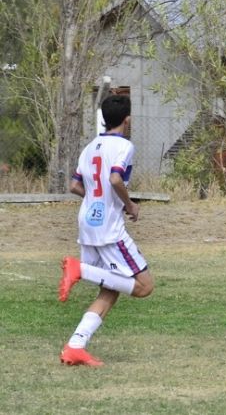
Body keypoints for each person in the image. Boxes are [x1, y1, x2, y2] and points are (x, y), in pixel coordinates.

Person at [58, 94, 155, 367]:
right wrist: (130, 205)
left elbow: (75, 186)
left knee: (110, 288)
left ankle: (75, 345)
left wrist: (97, 200)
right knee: (144, 287)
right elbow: (114, 178)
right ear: (128, 120)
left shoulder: (89, 147)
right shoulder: (124, 146)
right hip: (109, 230)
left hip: (87, 223)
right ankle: (80, 270)